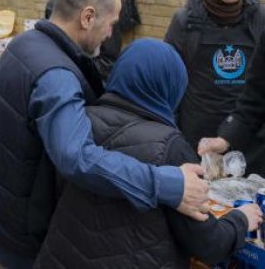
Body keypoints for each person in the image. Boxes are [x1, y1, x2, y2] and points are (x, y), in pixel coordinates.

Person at [0, 0, 209, 268]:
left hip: (5, 215)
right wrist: (165, 183)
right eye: (111, 23)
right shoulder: (56, 76)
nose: (111, 33)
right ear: (87, 17)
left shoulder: (25, 44)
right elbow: (76, 155)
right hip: (28, 231)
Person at [35, 39, 260, 268]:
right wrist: (240, 220)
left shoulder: (77, 123)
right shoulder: (170, 147)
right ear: (172, 85)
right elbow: (208, 244)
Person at [165, 0, 264, 167]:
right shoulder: (187, 21)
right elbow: (168, 76)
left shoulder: (259, 17)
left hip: (247, 125)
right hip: (198, 127)